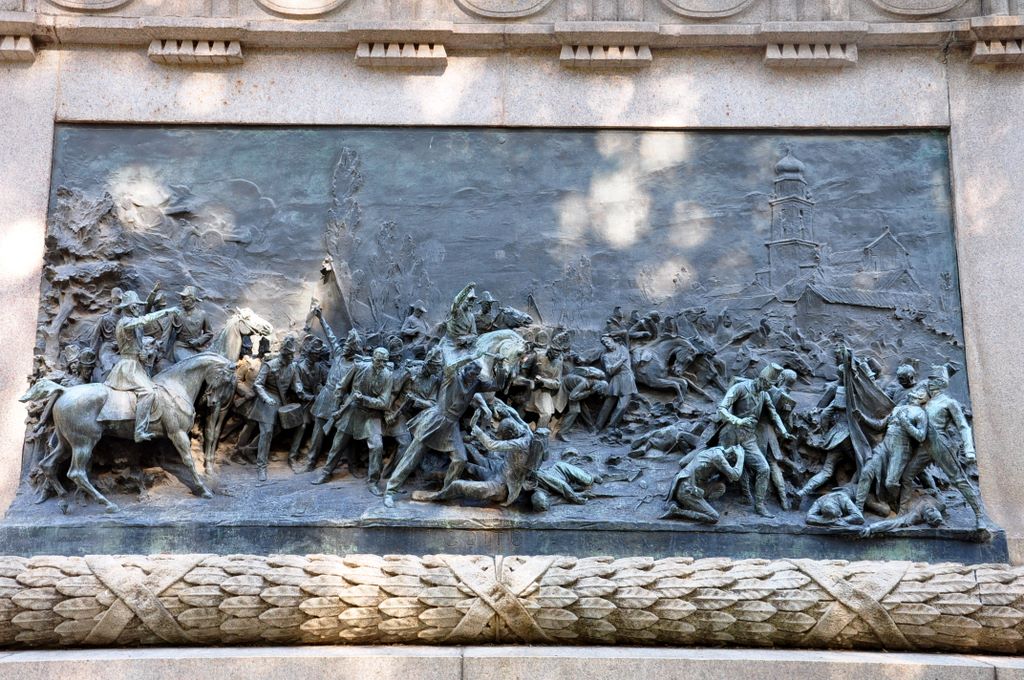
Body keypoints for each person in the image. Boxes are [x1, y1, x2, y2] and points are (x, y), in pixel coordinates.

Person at [383, 360, 496, 508]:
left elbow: (496, 385)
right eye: (472, 373)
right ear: (465, 369)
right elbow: (450, 367)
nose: (474, 376)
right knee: (411, 457)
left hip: (451, 425)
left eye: (476, 374)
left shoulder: (475, 383)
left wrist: (501, 369)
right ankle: (390, 491)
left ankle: (446, 491)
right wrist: (468, 357)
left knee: (460, 459)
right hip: (435, 420)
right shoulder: (453, 376)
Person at [897, 365, 983, 528]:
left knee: (958, 480)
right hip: (925, 446)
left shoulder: (949, 403)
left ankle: (980, 516)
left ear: (940, 383)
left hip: (941, 444)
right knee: (907, 476)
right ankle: (902, 513)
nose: (929, 383)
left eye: (932, 381)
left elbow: (964, 427)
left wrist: (970, 450)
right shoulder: (926, 401)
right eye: (929, 381)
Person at [717, 363, 793, 517]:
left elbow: (774, 414)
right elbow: (721, 409)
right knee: (721, 465)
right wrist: (737, 420)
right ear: (762, 379)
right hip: (730, 435)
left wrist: (783, 431)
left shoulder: (764, 395)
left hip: (749, 437)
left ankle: (759, 505)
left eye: (772, 385)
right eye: (769, 384)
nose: (770, 387)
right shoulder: (740, 388)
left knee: (764, 468)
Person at [103, 291, 179, 442]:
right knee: (148, 392)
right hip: (127, 367)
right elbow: (144, 320)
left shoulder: (132, 322)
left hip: (136, 363)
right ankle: (139, 431)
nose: (139, 307)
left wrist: (142, 353)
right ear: (131, 307)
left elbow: (134, 344)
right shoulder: (125, 322)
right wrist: (167, 311)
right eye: (137, 305)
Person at [314, 347, 393, 491]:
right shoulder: (359, 367)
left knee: (377, 446)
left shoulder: (388, 375)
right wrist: (336, 408)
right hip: (351, 410)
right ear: (373, 358)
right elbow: (341, 387)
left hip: (371, 415)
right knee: (338, 444)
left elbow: (384, 402)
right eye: (378, 360)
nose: (381, 364)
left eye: (384, 361)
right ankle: (326, 473)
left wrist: (365, 399)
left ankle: (373, 482)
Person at [411, 415, 534, 506]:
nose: (502, 438)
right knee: (466, 465)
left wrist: (477, 431)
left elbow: (491, 445)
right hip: (498, 471)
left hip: (501, 487)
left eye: (503, 436)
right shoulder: (524, 432)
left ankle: (436, 496)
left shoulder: (521, 443)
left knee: (458, 485)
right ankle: (432, 476)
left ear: (510, 434)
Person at [853, 386, 929, 512]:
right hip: (885, 445)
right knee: (866, 471)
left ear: (922, 398)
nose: (913, 392)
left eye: (917, 392)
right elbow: (880, 426)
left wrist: (905, 422)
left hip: (901, 449)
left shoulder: (920, 413)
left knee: (891, 483)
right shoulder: (897, 409)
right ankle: (858, 508)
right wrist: (862, 417)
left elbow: (921, 436)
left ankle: (894, 501)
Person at [247, 335, 311, 481]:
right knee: (267, 431)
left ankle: (249, 449)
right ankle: (261, 467)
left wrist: (300, 390)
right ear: (283, 354)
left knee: (283, 428)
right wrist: (266, 398)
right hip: (267, 401)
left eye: (292, 355)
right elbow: (258, 384)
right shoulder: (270, 365)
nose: (291, 358)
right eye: (289, 355)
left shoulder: (292, 367)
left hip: (282, 402)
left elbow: (297, 383)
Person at [304, 308, 361, 472]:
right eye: (347, 346)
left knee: (346, 434)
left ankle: (352, 465)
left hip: (342, 401)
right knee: (318, 432)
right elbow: (330, 335)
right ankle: (310, 462)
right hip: (326, 397)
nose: (346, 348)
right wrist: (321, 318)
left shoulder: (357, 364)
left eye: (350, 347)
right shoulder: (338, 354)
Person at [662, 445, 745, 524]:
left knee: (720, 487)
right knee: (714, 517)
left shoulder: (713, 450)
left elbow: (684, 462)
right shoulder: (718, 457)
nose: (730, 465)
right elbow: (735, 476)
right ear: (730, 456)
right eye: (733, 463)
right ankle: (678, 512)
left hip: (693, 486)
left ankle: (699, 506)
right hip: (687, 490)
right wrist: (741, 457)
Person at [596, 334, 637, 430]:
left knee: (622, 406)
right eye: (604, 343)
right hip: (616, 379)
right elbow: (609, 371)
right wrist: (621, 361)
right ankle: (597, 427)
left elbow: (624, 332)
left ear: (613, 340)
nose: (606, 344)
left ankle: (611, 427)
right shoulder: (606, 356)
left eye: (607, 341)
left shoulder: (623, 347)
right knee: (607, 406)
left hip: (627, 379)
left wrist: (610, 334)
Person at [860, 494, 946, 536]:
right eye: (933, 510)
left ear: (927, 519)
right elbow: (940, 496)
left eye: (930, 513)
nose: (931, 509)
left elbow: (895, 522)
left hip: (895, 498)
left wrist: (872, 528)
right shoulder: (940, 505)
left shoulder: (915, 515)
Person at [168, 286, 213, 362]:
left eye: (184, 298)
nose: (181, 301)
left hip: (197, 348)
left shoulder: (202, 314)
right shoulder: (177, 314)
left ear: (192, 299)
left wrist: (198, 341)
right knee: (189, 364)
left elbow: (209, 333)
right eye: (181, 298)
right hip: (181, 347)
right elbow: (167, 332)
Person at [445, 282, 479, 347]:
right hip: (450, 344)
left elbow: (474, 334)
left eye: (473, 300)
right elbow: (456, 301)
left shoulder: (471, 316)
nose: (471, 302)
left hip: (465, 344)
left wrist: (465, 338)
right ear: (463, 300)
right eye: (469, 300)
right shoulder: (456, 310)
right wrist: (467, 289)